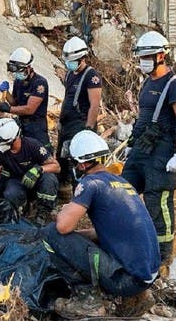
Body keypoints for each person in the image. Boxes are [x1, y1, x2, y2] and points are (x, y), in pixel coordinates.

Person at [44, 130, 160, 318]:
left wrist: (63, 211)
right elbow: (109, 231)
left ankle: (88, 300)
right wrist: (77, 239)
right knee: (73, 238)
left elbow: (62, 227)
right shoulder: (122, 183)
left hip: (127, 280)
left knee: (49, 233)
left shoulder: (91, 184)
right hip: (147, 275)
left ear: (81, 164)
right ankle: (138, 296)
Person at [121, 31, 176, 264]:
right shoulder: (147, 83)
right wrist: (132, 144)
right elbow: (143, 117)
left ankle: (163, 256)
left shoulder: (175, 85)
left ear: (161, 55)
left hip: (162, 152)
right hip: (142, 147)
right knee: (123, 192)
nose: (143, 61)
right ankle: (132, 239)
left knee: (158, 202)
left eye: (148, 56)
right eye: (141, 56)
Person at [0, 117, 60, 225]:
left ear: (13, 139)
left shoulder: (32, 145)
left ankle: (43, 212)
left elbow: (56, 167)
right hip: (17, 180)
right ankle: (21, 210)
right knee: (10, 194)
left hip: (37, 179)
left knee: (49, 180)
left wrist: (39, 169)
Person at [57, 36, 102, 188]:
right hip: (67, 125)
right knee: (62, 158)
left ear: (82, 58)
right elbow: (67, 98)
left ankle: (80, 194)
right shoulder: (70, 74)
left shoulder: (91, 76)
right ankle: (64, 193)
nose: (70, 64)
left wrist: (88, 130)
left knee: (78, 162)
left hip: (80, 124)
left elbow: (95, 105)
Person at [0, 47, 52, 150]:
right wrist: (6, 93)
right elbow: (15, 102)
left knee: (41, 152)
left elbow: (29, 109)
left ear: (28, 67)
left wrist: (8, 109)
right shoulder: (18, 81)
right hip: (22, 124)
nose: (17, 74)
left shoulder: (39, 83)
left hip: (36, 127)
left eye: (19, 70)